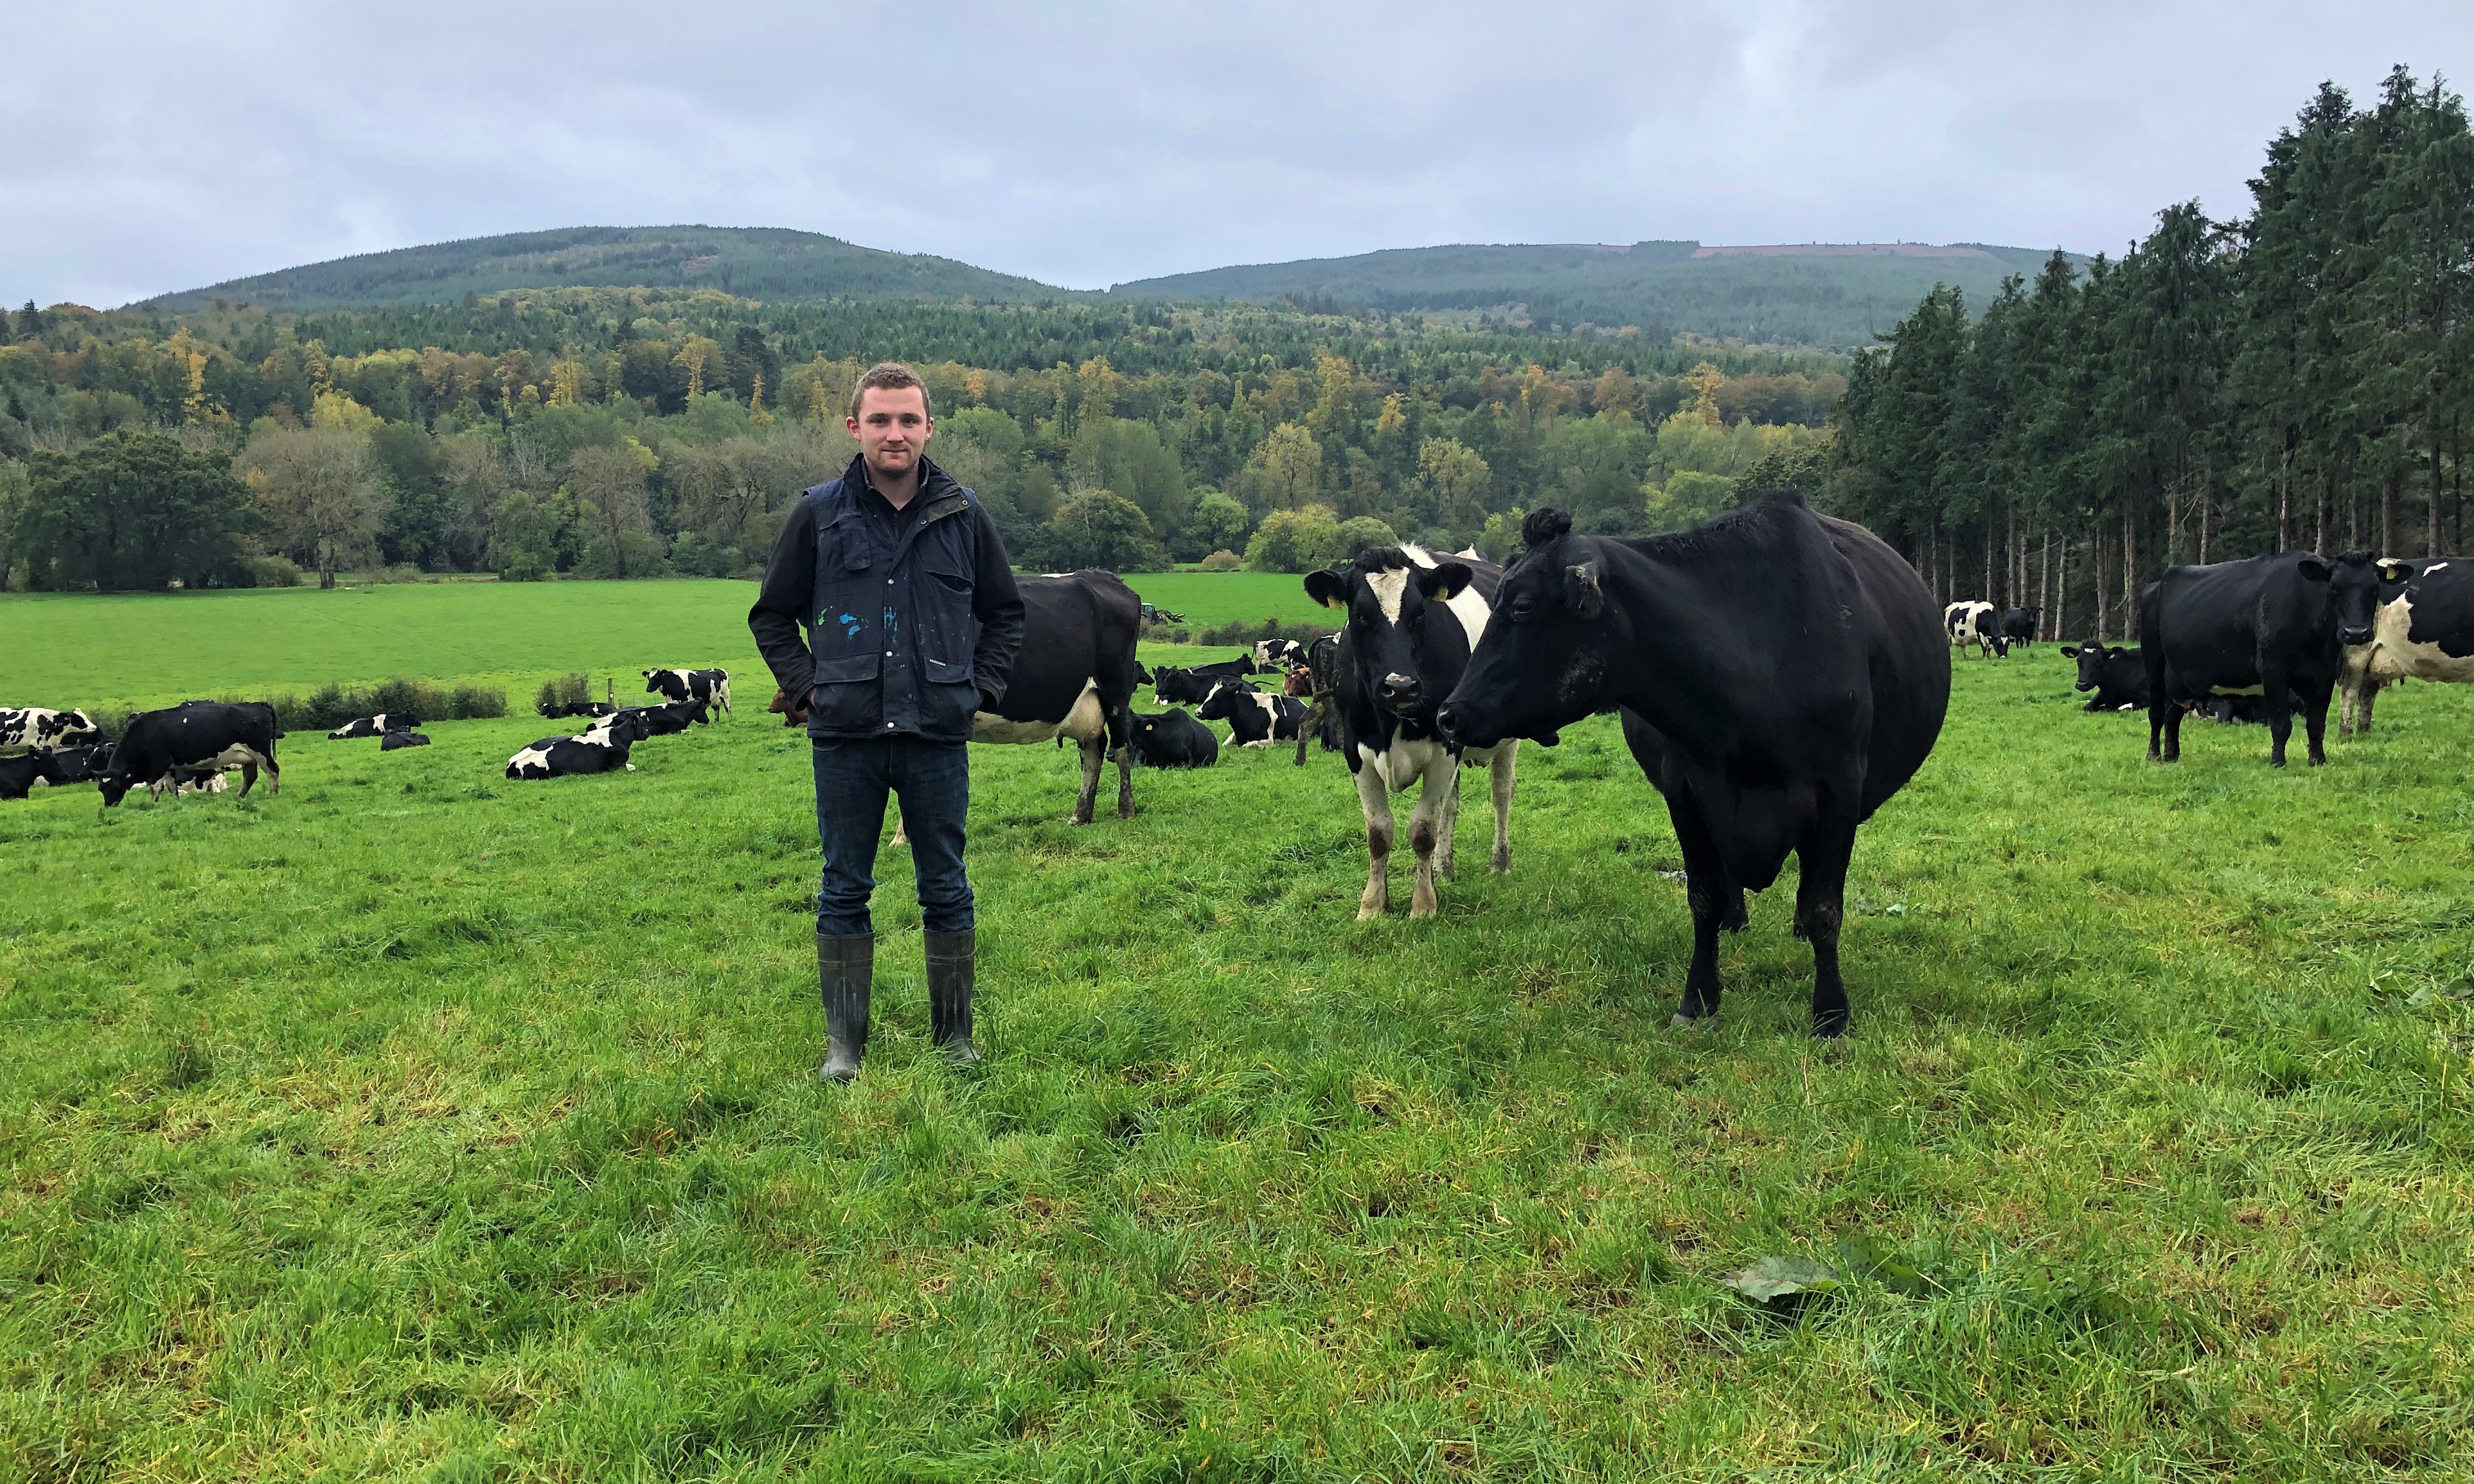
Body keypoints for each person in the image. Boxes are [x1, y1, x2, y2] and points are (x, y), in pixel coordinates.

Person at [749, 362, 1025, 1082]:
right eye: (880, 420)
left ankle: (954, 1039)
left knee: (947, 885)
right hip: (847, 738)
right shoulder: (818, 513)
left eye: (908, 420)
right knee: (844, 886)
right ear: (854, 428)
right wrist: (810, 690)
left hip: (937, 733)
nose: (894, 433)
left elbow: (1005, 614)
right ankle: (844, 1047)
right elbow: (772, 617)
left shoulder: (963, 515)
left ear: (929, 428)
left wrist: (979, 691)